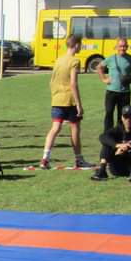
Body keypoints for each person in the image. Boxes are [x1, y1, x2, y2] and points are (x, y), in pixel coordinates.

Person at [39, 34, 91, 170]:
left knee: (55, 129)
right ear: (77, 45)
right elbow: (73, 83)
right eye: (81, 44)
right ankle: (79, 159)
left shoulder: (58, 60)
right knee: (74, 128)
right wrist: (79, 105)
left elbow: (51, 81)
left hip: (56, 99)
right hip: (69, 101)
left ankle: (45, 158)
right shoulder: (74, 61)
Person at [92, 104, 131, 182]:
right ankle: (102, 171)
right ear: (122, 118)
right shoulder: (117, 130)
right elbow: (103, 137)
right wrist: (117, 145)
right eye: (126, 117)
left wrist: (128, 146)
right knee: (107, 145)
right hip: (117, 169)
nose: (128, 120)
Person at [97, 37, 131, 133]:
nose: (123, 48)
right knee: (109, 113)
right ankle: (108, 134)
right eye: (121, 46)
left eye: (125, 46)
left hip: (125, 92)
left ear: (127, 47)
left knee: (123, 115)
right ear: (116, 47)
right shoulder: (111, 58)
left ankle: (120, 133)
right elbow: (99, 67)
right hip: (111, 91)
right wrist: (104, 79)